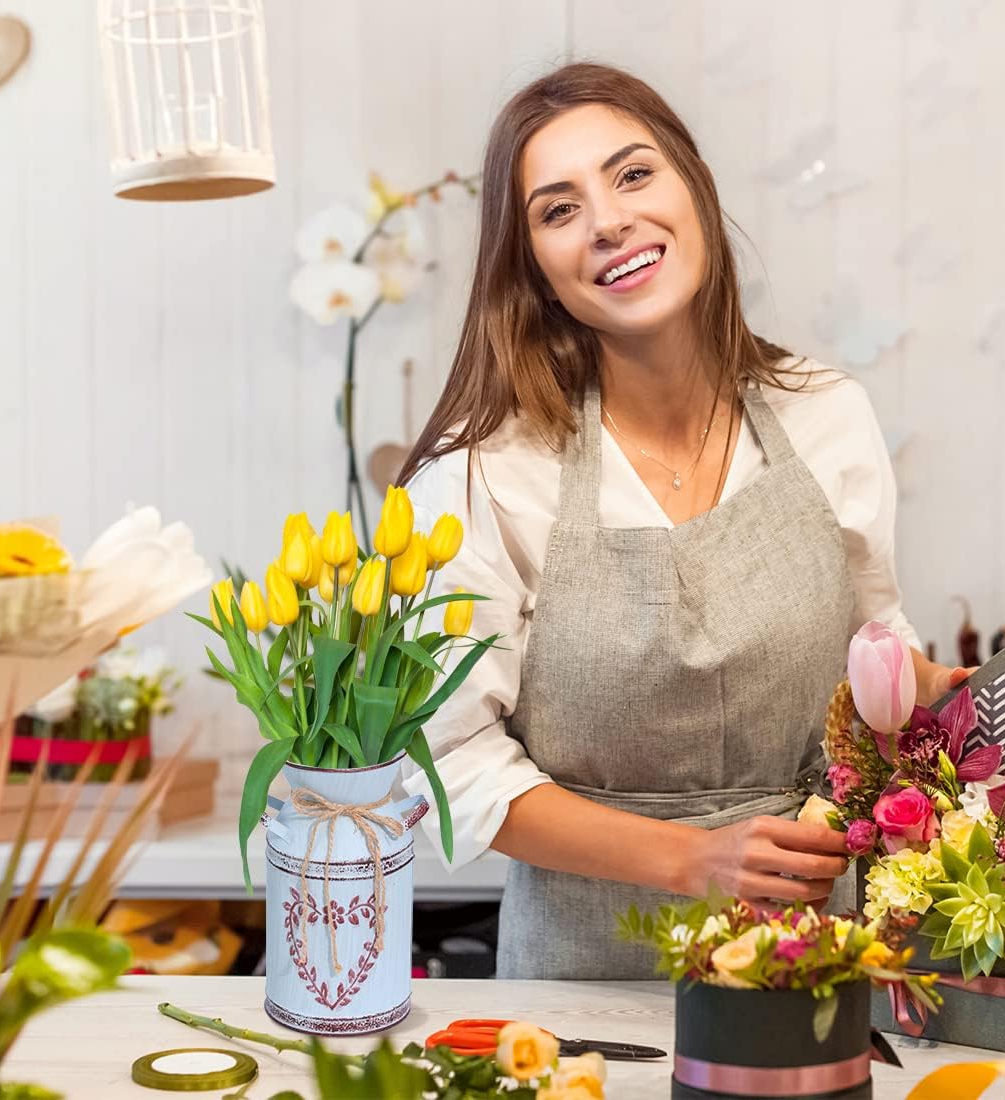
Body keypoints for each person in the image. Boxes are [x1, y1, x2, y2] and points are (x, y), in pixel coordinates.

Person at [397, 62, 967, 980]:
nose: (609, 220)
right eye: (558, 209)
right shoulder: (483, 475)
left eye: (632, 174)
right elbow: (449, 763)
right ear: (535, 272)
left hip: (821, 957)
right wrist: (692, 860)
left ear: (692, 188)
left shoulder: (827, 412)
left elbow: (871, 648)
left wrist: (937, 695)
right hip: (581, 987)